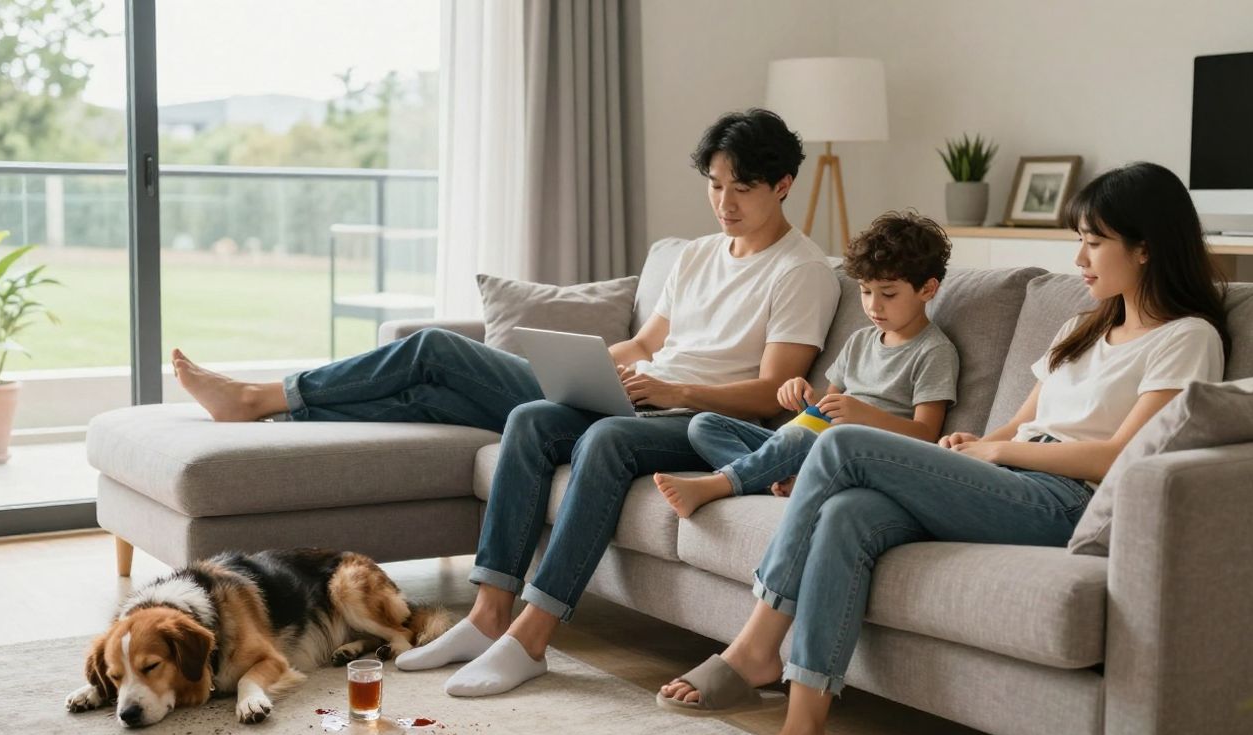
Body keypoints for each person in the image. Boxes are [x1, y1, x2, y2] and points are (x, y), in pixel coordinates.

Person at [166, 108, 841, 697]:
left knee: (491, 384)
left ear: (783, 185)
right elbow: (645, 344)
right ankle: (488, 615)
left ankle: (532, 639)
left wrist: (675, 390)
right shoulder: (695, 255)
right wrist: (578, 370)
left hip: (698, 421)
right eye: (714, 186)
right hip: (640, 398)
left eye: (741, 189)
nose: (723, 203)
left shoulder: (802, 270)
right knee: (525, 417)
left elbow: (767, 394)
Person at [655, 161, 1231, 735]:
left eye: (1093, 242)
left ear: (1144, 249)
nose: (1080, 259)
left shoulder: (1186, 338)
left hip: (1067, 502)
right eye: (1078, 242)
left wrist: (997, 450)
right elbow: (1019, 424)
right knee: (849, 512)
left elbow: (1124, 456)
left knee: (841, 443)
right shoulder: (1082, 328)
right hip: (1011, 480)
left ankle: (754, 647)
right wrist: (978, 446)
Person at [653, 210, 959, 518]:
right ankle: (779, 481)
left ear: (928, 290)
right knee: (705, 424)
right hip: (812, 441)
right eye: (866, 291)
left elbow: (926, 434)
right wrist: (804, 396)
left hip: (856, 453)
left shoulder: (934, 351)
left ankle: (719, 484)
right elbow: (826, 406)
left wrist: (864, 415)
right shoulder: (861, 340)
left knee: (801, 437)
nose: (873, 305)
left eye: (888, 294)